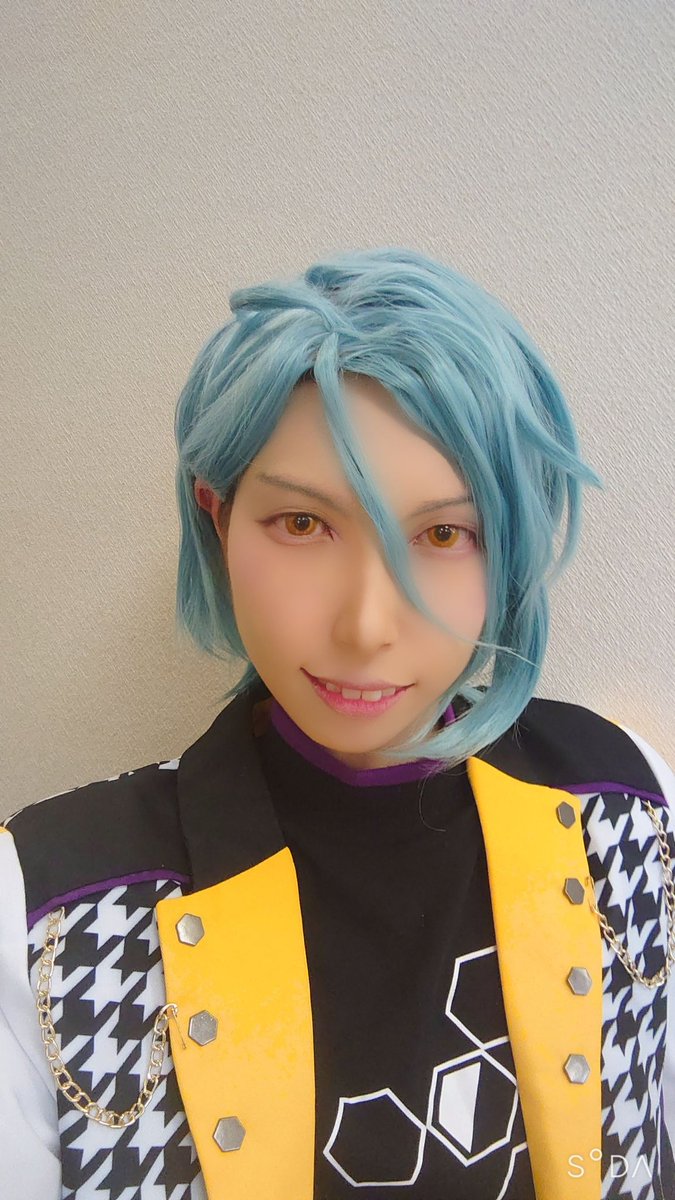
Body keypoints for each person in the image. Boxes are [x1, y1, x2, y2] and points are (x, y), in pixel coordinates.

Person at [1, 246, 673, 1200]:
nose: (365, 626)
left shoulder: (627, 809)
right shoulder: (49, 909)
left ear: (510, 551)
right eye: (303, 525)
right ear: (217, 522)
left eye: (443, 533)